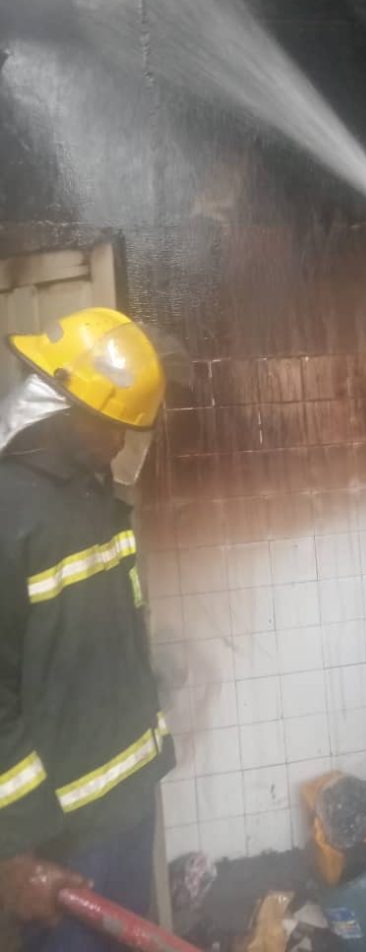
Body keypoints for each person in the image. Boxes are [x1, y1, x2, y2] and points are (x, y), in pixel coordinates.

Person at [0, 308, 176, 951]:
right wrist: (15, 848)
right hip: (62, 843)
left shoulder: (90, 495)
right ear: (70, 409)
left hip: (125, 811)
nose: (122, 447)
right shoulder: (9, 513)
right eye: (115, 429)